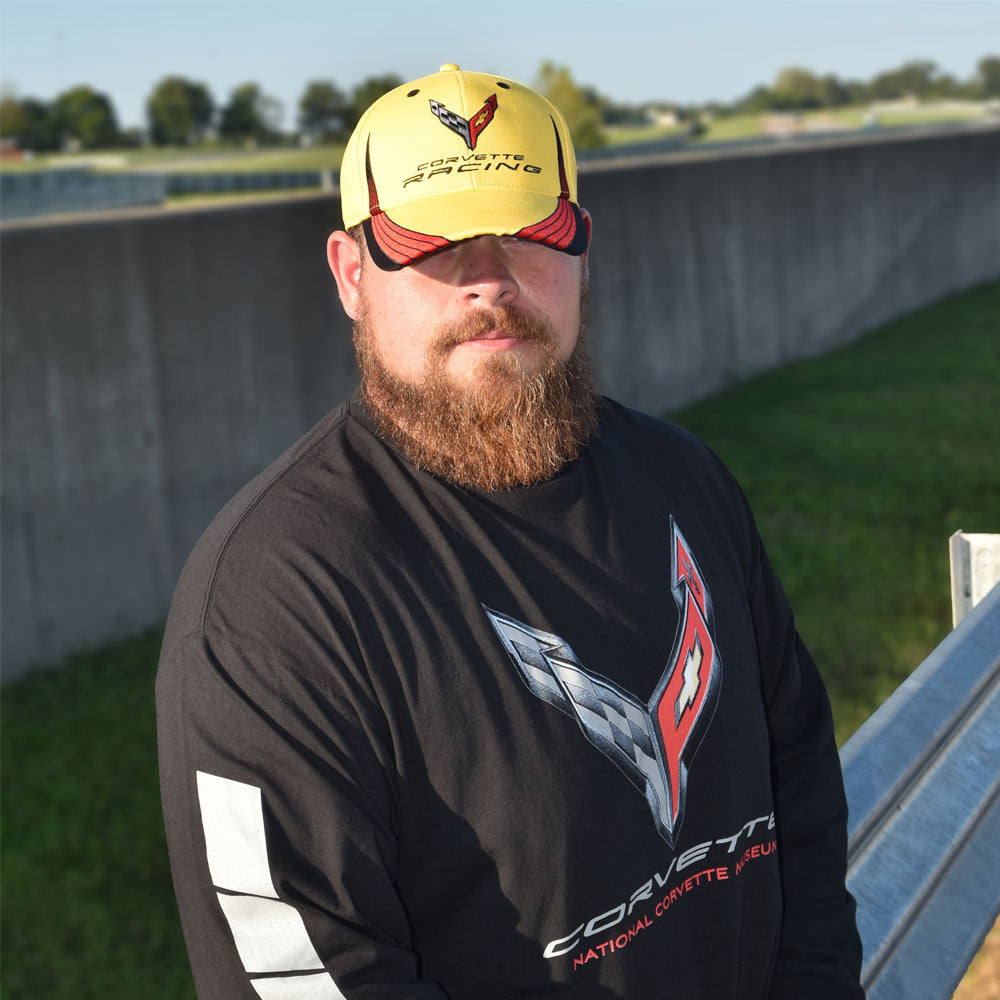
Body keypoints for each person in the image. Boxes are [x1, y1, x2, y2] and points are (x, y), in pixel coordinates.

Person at [156, 64, 864, 999]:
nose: (488, 279)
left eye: (530, 232)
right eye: (432, 243)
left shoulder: (685, 481)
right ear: (350, 274)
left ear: (581, 250)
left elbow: (800, 782)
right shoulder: (274, 604)